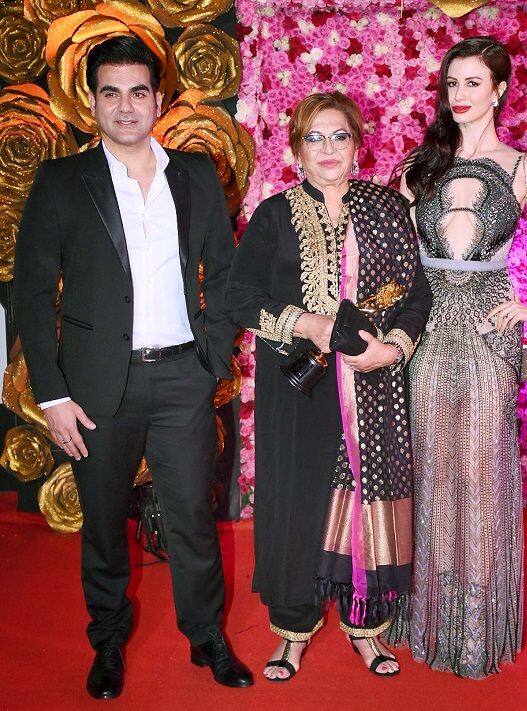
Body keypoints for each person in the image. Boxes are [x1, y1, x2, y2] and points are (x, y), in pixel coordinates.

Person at [14, 36, 253, 698]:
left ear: (158, 99)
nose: (125, 106)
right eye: (111, 92)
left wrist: (211, 359)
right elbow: (32, 293)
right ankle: (109, 639)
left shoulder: (197, 173)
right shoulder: (63, 182)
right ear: (92, 102)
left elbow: (224, 274)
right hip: (95, 388)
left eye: (138, 91)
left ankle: (206, 636)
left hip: (182, 379)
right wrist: (52, 396)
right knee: (102, 522)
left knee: (193, 519)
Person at [388, 36, 527, 678]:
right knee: (431, 474)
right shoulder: (421, 167)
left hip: (486, 332)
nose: (460, 95)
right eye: (452, 83)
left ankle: (476, 629)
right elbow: (395, 254)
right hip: (425, 333)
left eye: (473, 82)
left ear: (499, 89)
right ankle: (430, 619)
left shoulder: (524, 168)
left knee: (480, 477)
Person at [225, 92, 432, 681]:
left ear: (358, 145)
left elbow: (415, 293)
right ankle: (291, 630)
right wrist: (306, 323)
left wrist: (392, 349)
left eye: (339, 135)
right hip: (300, 388)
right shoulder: (275, 214)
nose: (328, 149)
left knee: (368, 502)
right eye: (313, 137)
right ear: (296, 150)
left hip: (372, 384)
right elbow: (240, 297)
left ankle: (367, 626)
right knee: (298, 502)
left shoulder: (386, 210)